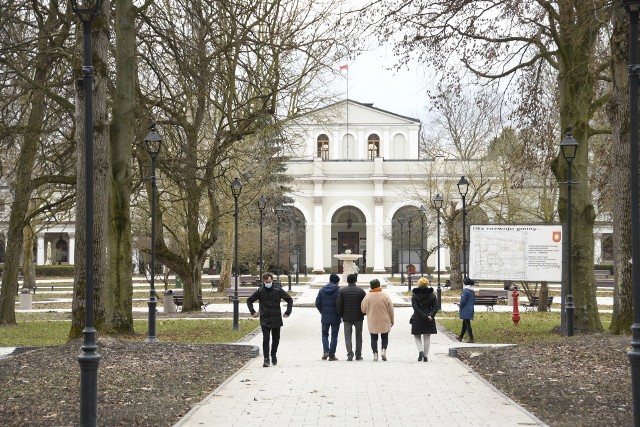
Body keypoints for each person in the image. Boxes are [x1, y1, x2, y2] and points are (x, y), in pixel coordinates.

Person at [247, 273, 293, 367]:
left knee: (276, 339)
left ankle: (273, 354)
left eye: (269, 282)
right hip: (265, 318)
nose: (268, 283)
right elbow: (249, 300)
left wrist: (288, 312)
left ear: (272, 281)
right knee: (266, 338)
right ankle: (266, 359)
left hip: (276, 318)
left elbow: (289, 299)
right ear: (263, 282)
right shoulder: (260, 291)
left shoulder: (278, 290)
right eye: (266, 282)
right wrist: (253, 312)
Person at [361, 278, 394, 361]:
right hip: (385, 319)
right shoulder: (385, 295)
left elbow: (363, 310)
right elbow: (391, 309)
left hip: (372, 320)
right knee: (385, 336)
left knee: (373, 338)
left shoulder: (367, 297)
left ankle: (375, 354)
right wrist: (392, 320)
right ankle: (383, 350)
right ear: (379, 285)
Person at [336, 273, 366, 361]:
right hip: (358, 317)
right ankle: (358, 354)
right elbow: (365, 304)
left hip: (347, 318)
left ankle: (349, 354)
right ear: (355, 281)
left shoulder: (342, 291)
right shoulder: (361, 291)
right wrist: (363, 313)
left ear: (347, 281)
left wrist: (341, 315)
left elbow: (338, 305)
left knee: (347, 336)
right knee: (359, 336)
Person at [410, 277, 438, 362]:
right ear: (427, 284)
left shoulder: (415, 295)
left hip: (418, 317)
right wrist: (430, 315)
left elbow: (415, 308)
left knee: (416, 335)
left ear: (419, 284)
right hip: (429, 319)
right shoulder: (432, 294)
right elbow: (435, 307)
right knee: (427, 336)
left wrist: (422, 315)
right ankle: (425, 356)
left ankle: (420, 351)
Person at [315, 273, 342, 361]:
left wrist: (322, 311)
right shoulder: (339, 291)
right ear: (337, 281)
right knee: (334, 336)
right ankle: (332, 355)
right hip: (336, 317)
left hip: (325, 317)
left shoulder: (322, 290)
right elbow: (341, 304)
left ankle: (325, 351)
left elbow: (317, 303)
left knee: (324, 334)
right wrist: (340, 313)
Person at [457, 277, 476, 343]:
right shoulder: (472, 291)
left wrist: (460, 306)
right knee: (465, 324)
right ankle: (460, 337)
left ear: (465, 283)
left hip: (465, 309)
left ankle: (471, 338)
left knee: (467, 324)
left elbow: (463, 300)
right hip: (470, 308)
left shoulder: (465, 290)